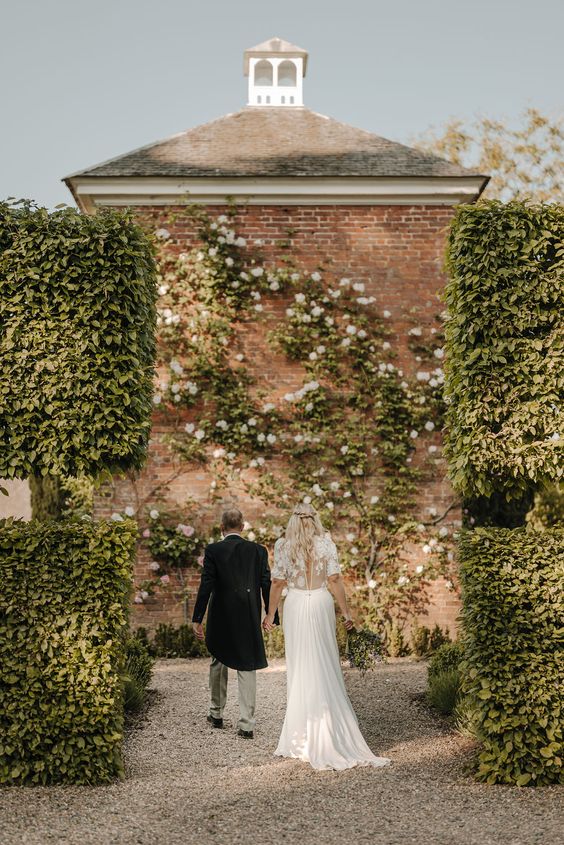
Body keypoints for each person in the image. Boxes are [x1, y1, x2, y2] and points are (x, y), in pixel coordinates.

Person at [263, 502, 391, 771]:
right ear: (315, 520)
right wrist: (346, 612)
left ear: (293, 521)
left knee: (300, 667)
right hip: (320, 602)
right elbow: (334, 579)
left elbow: (277, 582)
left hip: (296, 604)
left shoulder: (283, 545)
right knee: (324, 662)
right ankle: (330, 729)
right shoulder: (325, 543)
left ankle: (302, 735)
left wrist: (269, 614)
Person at [192, 507, 276, 739]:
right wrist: (271, 615)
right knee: (247, 665)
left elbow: (206, 586)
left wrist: (197, 618)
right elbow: (266, 584)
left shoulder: (214, 550)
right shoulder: (258, 551)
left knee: (219, 659)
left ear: (221, 528)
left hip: (221, 615)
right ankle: (247, 724)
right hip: (248, 613)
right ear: (242, 526)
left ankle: (216, 713)